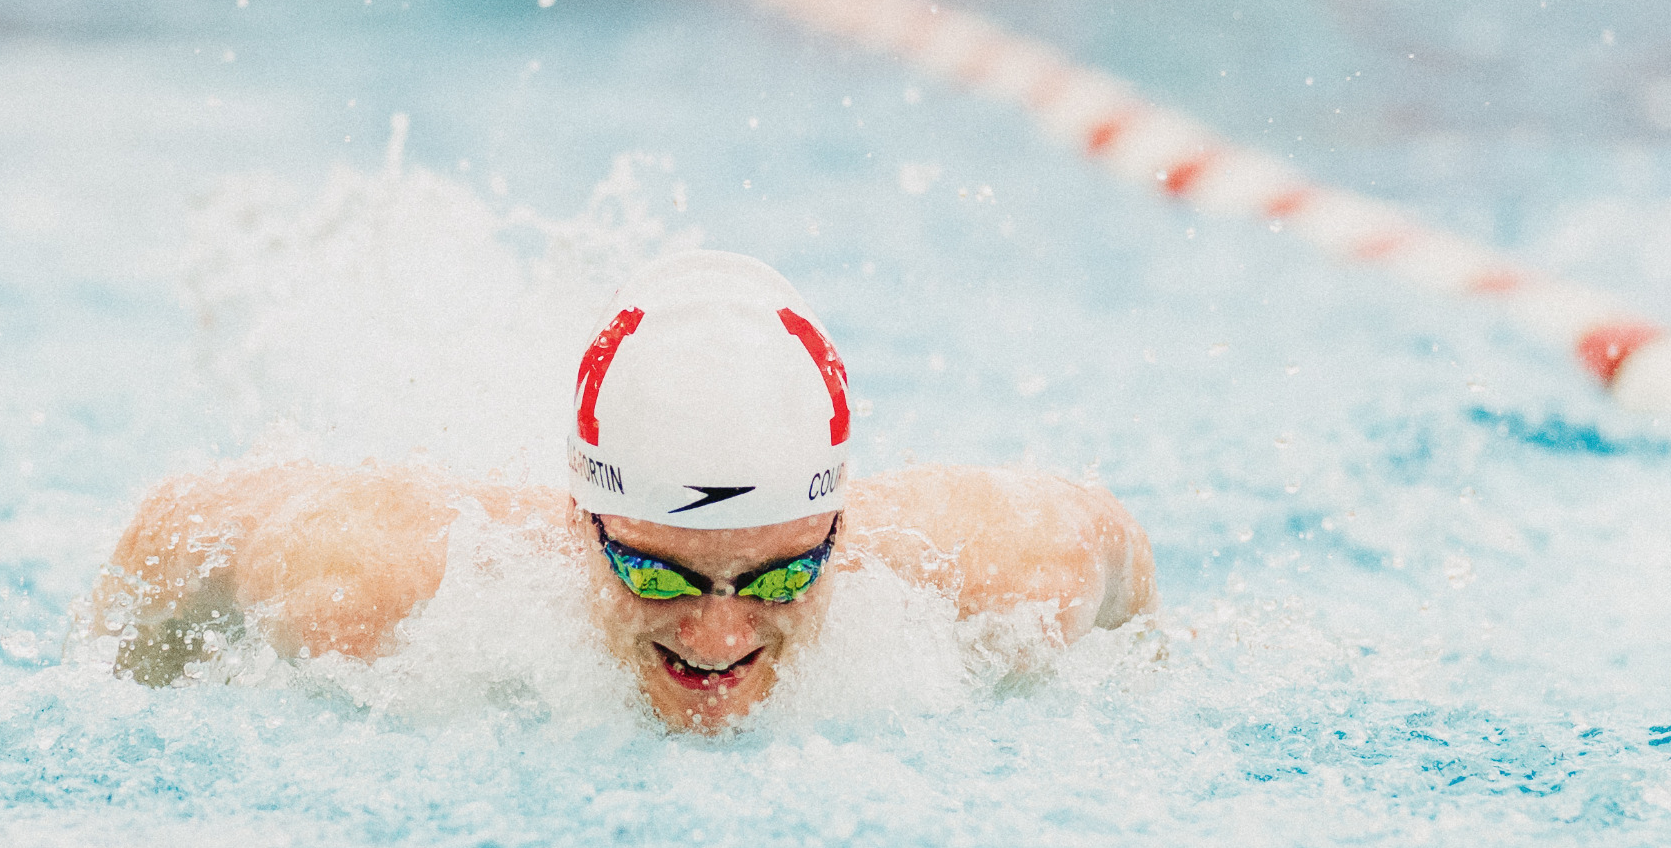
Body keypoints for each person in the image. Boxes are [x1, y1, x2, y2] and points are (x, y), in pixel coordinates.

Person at [90, 251, 1156, 730]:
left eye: (781, 573)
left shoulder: (1009, 567)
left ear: (839, 524)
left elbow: (1117, 568)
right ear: (577, 519)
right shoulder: (376, 582)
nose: (716, 630)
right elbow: (171, 531)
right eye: (656, 568)